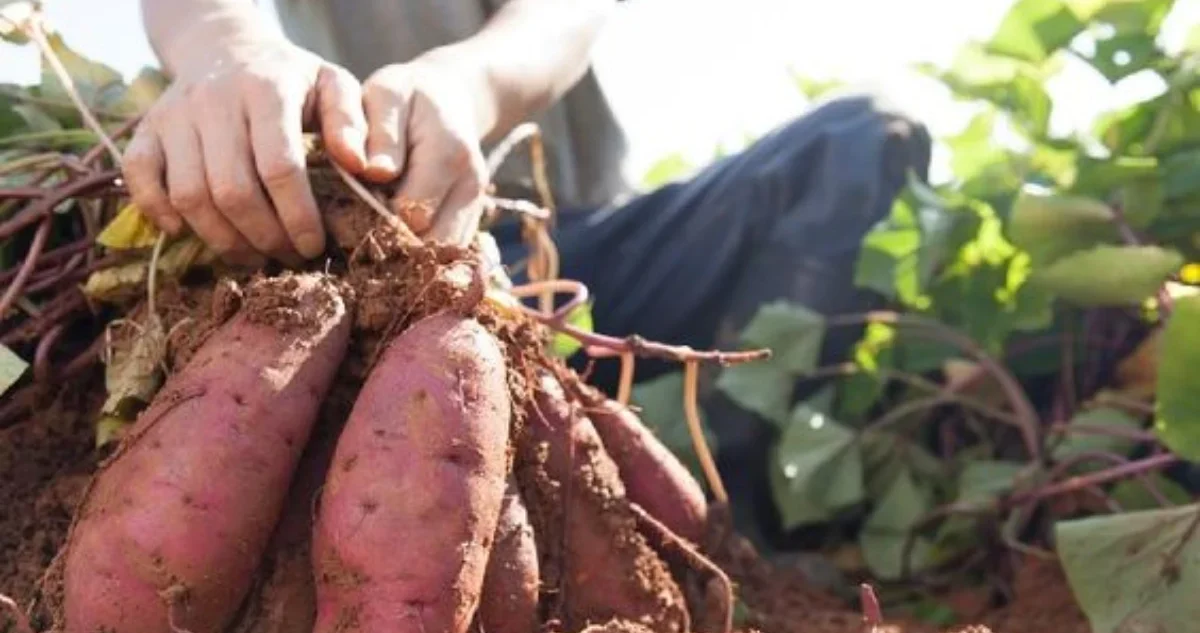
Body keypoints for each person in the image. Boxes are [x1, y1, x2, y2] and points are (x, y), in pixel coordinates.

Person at [127, 0, 932, 538]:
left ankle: (727, 527)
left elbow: (563, 14)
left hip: (566, 257)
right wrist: (227, 55)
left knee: (863, 142)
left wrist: (463, 87)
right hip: (361, 253)